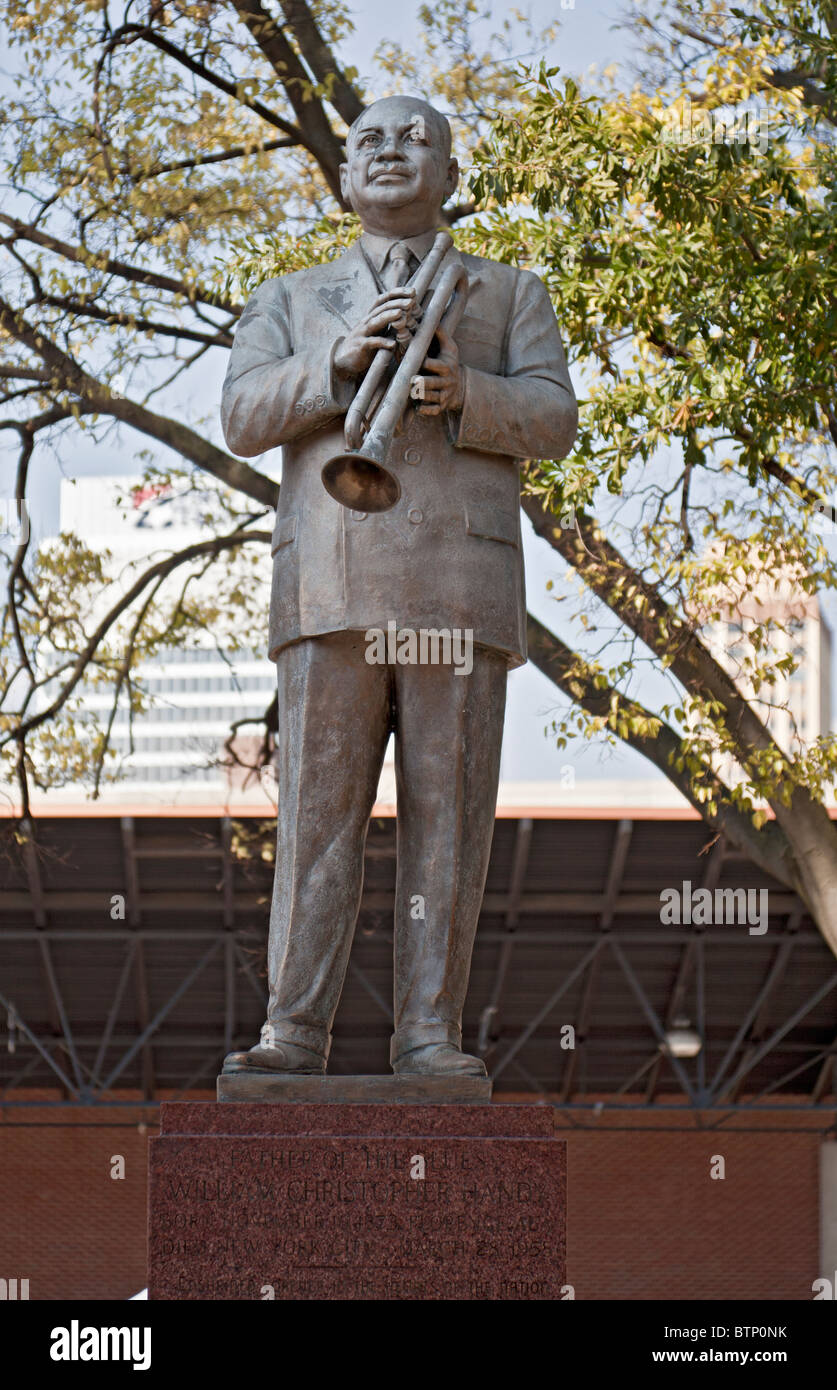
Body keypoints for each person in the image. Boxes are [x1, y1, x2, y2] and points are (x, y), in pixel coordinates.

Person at [220, 95, 577, 1078]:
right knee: (317, 821)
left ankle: (431, 1030)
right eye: (367, 140)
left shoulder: (509, 295)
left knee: (446, 822)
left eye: (414, 138)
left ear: (452, 175)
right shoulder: (292, 297)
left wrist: (471, 393)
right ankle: (293, 1028)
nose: (388, 151)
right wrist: (336, 363)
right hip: (331, 588)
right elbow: (242, 414)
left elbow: (555, 417)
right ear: (343, 176)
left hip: (457, 589)